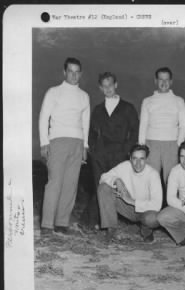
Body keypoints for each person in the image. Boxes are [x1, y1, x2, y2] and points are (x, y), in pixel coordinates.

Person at [39, 57, 90, 235]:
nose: (74, 75)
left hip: (77, 142)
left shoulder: (84, 96)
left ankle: (62, 222)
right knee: (54, 183)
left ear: (81, 74)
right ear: (64, 72)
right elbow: (43, 118)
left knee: (71, 184)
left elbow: (86, 122)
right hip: (57, 140)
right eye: (70, 71)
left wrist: (85, 145)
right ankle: (46, 224)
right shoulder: (53, 92)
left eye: (77, 72)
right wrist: (44, 142)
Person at [81, 72, 139, 229]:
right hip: (100, 155)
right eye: (104, 86)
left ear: (116, 85)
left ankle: (132, 219)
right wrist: (94, 149)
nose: (108, 88)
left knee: (120, 188)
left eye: (110, 85)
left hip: (120, 154)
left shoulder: (128, 108)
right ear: (100, 88)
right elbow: (91, 132)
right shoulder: (98, 109)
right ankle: (92, 222)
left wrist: (127, 150)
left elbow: (135, 131)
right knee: (100, 187)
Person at [97, 144, 162, 242]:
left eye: (142, 159)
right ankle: (111, 229)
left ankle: (146, 231)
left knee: (153, 218)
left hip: (145, 210)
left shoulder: (153, 174)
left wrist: (132, 201)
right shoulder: (125, 166)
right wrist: (116, 180)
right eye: (135, 158)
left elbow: (157, 205)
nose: (138, 163)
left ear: (147, 159)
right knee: (104, 188)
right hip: (127, 207)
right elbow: (103, 177)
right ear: (130, 158)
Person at [139, 67, 185, 186]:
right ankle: (152, 205)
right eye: (160, 79)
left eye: (166, 80)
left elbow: (183, 125)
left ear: (171, 81)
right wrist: (141, 145)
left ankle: (171, 204)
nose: (163, 83)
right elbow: (143, 124)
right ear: (155, 81)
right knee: (150, 180)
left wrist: (178, 144)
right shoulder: (147, 101)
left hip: (172, 144)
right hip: (151, 144)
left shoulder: (179, 101)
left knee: (171, 181)